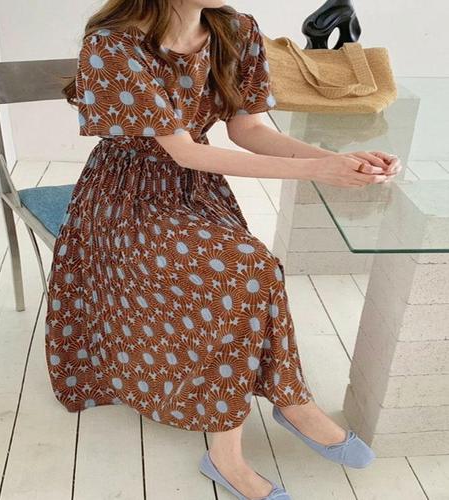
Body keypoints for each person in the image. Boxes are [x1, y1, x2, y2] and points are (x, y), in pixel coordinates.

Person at [44, 1, 401, 498]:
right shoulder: (113, 45)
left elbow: (247, 129)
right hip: (124, 201)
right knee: (246, 270)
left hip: (197, 192)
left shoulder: (236, 29)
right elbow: (184, 150)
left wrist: (338, 160)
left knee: (253, 268)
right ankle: (235, 449)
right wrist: (318, 171)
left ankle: (290, 403)